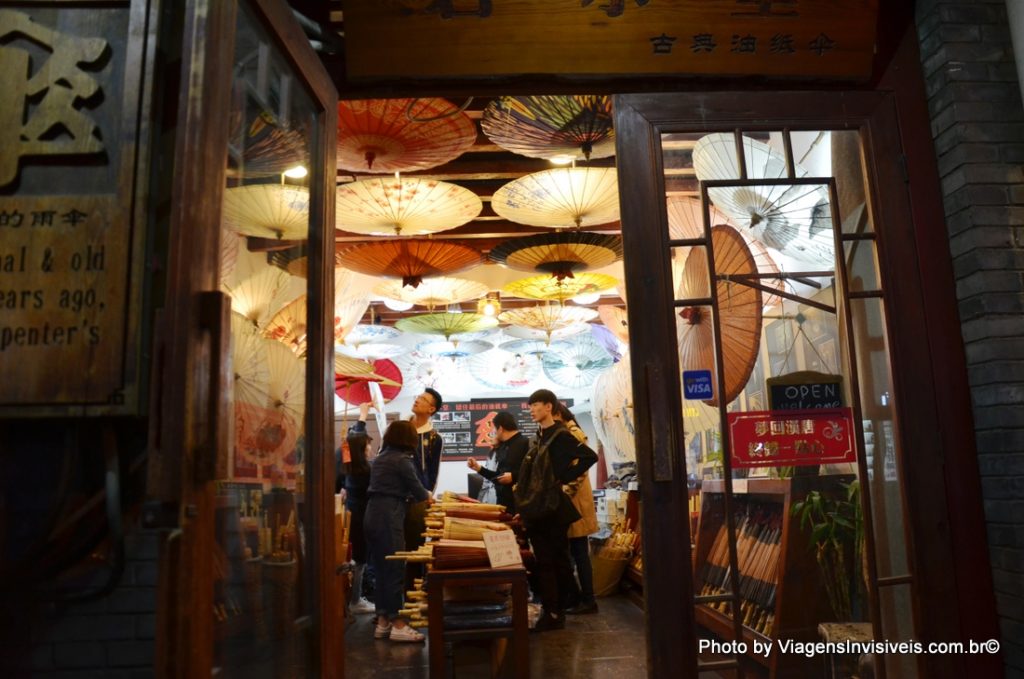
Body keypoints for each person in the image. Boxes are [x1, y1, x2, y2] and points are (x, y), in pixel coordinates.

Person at [514, 389, 597, 632]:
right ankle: (557, 608)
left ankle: (553, 612)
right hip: (541, 509)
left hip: (552, 509)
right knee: (553, 561)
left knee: (551, 562)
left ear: (549, 407)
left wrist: (561, 479)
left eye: (536, 405)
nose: (531, 409)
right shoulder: (539, 436)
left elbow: (588, 456)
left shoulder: (560, 435)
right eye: (530, 406)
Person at [363, 419, 433, 642]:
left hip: (372, 513)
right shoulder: (402, 460)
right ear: (408, 438)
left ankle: (383, 621)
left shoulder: (382, 457)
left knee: (383, 570)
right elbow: (420, 493)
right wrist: (429, 495)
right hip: (389, 515)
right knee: (394, 570)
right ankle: (399, 624)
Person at [554, 403, 600, 615]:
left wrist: (565, 492)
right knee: (575, 552)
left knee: (580, 552)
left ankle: (588, 600)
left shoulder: (574, 433)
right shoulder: (567, 432)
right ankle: (579, 597)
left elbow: (580, 471)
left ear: (557, 413)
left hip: (576, 504)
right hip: (573, 503)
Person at [404, 388, 443, 590]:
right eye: (417, 396)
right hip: (395, 498)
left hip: (418, 501)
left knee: (415, 550)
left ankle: (412, 594)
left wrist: (427, 496)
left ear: (432, 408)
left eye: (423, 399)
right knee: (393, 549)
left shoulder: (434, 438)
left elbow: (433, 472)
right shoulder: (401, 429)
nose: (417, 400)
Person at [342, 403, 375, 615]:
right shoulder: (365, 469)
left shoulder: (349, 463)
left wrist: (363, 416)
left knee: (356, 558)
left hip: (351, 514)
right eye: (367, 446)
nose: (370, 448)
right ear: (360, 449)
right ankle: (355, 601)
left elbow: (353, 437)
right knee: (360, 559)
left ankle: (354, 599)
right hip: (361, 517)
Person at [467, 411, 529, 513]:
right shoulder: (503, 446)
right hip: (503, 505)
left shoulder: (525, 443)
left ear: (500, 428)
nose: (493, 432)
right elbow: (498, 477)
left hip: (520, 507)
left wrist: (514, 476)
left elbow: (535, 474)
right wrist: (479, 469)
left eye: (494, 429)